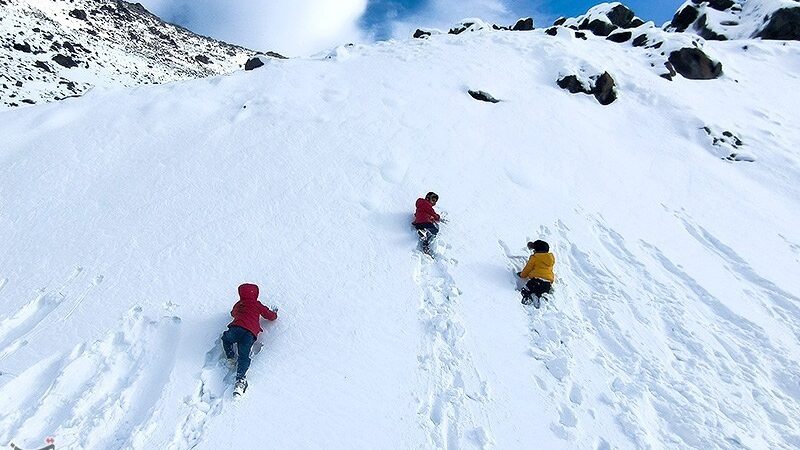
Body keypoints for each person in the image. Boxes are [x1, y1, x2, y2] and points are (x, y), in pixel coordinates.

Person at [221, 283, 278, 394]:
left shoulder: (240, 304)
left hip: (236, 328)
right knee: (244, 355)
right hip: (250, 333)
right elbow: (269, 315)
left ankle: (230, 357)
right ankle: (240, 379)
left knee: (226, 339)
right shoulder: (257, 304)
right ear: (256, 294)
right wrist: (274, 314)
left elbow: (233, 313)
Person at [517, 240, 555, 308]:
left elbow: (528, 268)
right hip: (547, 283)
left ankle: (527, 299)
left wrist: (522, 275)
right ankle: (542, 297)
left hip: (536, 281)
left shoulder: (535, 257)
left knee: (525, 290)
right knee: (541, 292)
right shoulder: (550, 259)